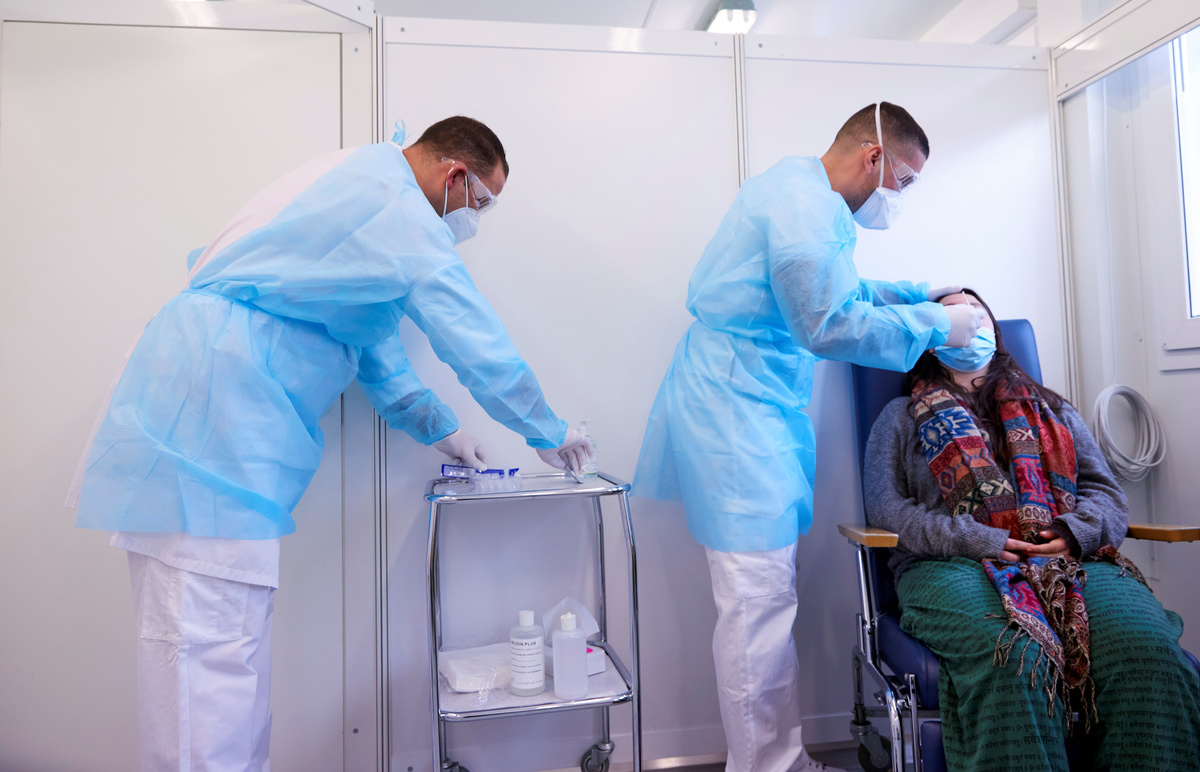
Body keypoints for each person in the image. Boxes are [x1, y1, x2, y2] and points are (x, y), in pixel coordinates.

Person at [67, 116, 591, 771]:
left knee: (231, 654)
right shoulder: (400, 213)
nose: (473, 222)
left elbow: (370, 341)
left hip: (221, 428)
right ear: (455, 174)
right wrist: (547, 428)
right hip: (207, 427)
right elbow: (477, 343)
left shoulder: (363, 187)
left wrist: (441, 427)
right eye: (479, 204)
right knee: (203, 660)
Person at [634, 102, 983, 772]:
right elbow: (827, 322)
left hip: (750, 405)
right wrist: (938, 327)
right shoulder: (801, 207)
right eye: (905, 181)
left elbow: (837, 288)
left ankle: (779, 761)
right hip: (736, 413)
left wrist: (919, 294)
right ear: (874, 157)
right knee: (756, 603)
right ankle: (768, 766)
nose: (900, 197)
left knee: (763, 597)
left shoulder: (805, 195)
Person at [863, 290, 1200, 771]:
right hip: (950, 566)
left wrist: (1075, 531)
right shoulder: (898, 418)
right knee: (1018, 657)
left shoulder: (1052, 410)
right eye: (954, 314)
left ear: (996, 332)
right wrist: (978, 539)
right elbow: (886, 510)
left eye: (978, 313)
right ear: (932, 337)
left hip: (1069, 561)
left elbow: (1106, 493)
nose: (970, 322)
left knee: (1145, 650)